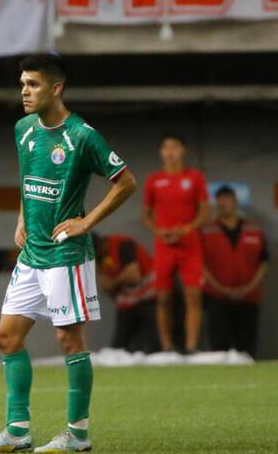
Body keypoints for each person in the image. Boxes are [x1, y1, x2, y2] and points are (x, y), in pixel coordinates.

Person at [0, 54, 137, 454]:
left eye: (33, 84)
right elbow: (28, 178)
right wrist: (22, 216)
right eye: (22, 84)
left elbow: (126, 182)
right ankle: (17, 430)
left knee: (68, 339)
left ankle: (78, 434)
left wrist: (86, 222)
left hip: (66, 255)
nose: (24, 92)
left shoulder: (82, 136)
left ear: (56, 88)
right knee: (6, 336)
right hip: (32, 254)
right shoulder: (24, 129)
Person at [142, 135, 209, 353]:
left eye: (175, 147)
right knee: (162, 296)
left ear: (183, 150)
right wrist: (158, 231)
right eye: (166, 148)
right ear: (161, 152)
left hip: (190, 244)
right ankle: (166, 346)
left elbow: (204, 213)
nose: (170, 152)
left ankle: (191, 346)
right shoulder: (154, 180)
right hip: (164, 245)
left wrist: (186, 229)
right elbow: (146, 215)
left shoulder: (195, 177)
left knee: (194, 295)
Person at [201, 186, 269, 358]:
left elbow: (263, 262)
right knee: (219, 346)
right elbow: (201, 265)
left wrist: (248, 288)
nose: (224, 203)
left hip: (248, 297)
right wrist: (220, 289)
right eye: (220, 200)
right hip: (216, 298)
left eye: (227, 198)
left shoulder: (254, 229)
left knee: (246, 346)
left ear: (235, 201)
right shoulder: (206, 230)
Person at [92, 233, 158, 354]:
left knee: (152, 341)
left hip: (149, 294)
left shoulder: (121, 245)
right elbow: (104, 285)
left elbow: (134, 275)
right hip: (127, 301)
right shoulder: (100, 258)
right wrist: (116, 282)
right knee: (119, 343)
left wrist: (114, 282)